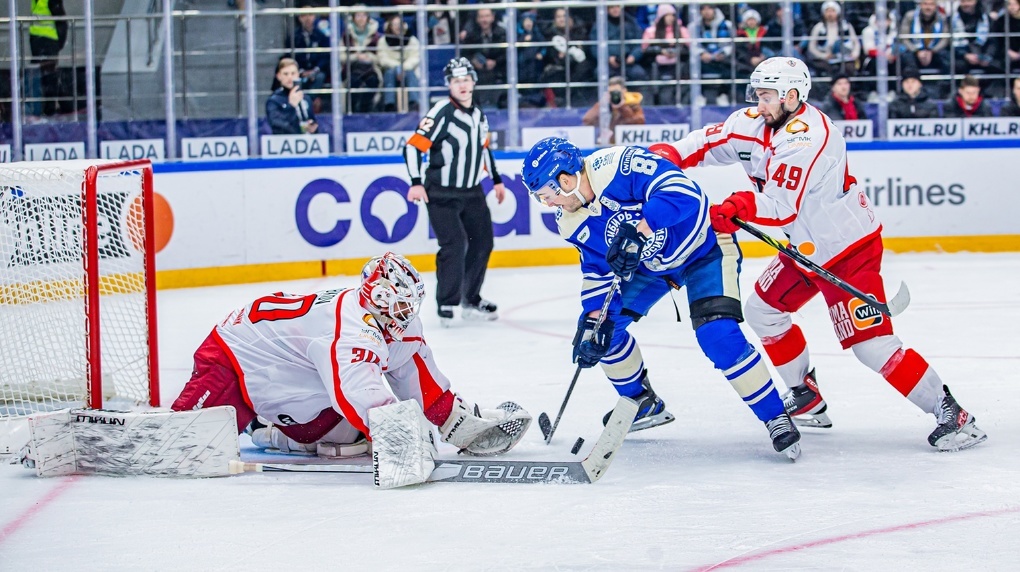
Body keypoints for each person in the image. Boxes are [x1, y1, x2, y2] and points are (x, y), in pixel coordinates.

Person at [649, 57, 987, 452]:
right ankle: (805, 394)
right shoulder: (753, 122)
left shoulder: (809, 137)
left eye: (767, 95)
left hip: (847, 250)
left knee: (871, 346)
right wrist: (660, 161)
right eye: (756, 94)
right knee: (762, 310)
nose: (759, 103)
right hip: (804, 249)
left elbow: (780, 207)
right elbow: (704, 143)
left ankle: (952, 413)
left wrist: (740, 204)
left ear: (792, 96)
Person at [521, 137, 802, 459]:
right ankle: (643, 402)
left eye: (546, 197)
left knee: (717, 334)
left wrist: (641, 229)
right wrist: (592, 318)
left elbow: (686, 194)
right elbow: (597, 271)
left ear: (565, 180)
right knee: (604, 331)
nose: (549, 205)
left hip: (704, 248)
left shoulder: (618, 166)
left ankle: (775, 417)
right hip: (654, 268)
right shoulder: (570, 221)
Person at [170, 252, 531, 458]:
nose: (409, 310)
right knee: (184, 443)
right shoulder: (350, 328)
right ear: (382, 299)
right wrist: (404, 439)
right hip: (233, 355)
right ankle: (261, 427)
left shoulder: (393, 321)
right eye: (402, 302)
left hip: (284, 366)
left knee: (340, 433)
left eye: (411, 301)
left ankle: (267, 422)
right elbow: (358, 394)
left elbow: (417, 378)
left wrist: (456, 424)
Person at [402, 57, 506, 325]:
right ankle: (446, 302)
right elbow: (413, 146)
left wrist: (496, 179)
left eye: (466, 79)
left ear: (474, 81)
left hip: (472, 191)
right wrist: (415, 181)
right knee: (455, 244)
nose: (462, 84)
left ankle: (470, 298)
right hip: (441, 193)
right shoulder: (440, 112)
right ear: (449, 84)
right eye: (456, 80)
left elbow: (484, 148)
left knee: (483, 242)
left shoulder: (478, 115)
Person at [29, 0, 68, 117]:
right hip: (37, 41)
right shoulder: (36, 1)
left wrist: (57, 44)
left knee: (49, 77)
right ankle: (39, 108)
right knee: (38, 77)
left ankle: (50, 109)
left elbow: (62, 22)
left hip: (49, 41)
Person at [462, 8, 507, 109]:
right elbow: (464, 54)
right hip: (477, 74)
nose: (484, 20)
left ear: (492, 17)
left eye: (487, 16)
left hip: (498, 73)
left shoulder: (502, 33)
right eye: (481, 17)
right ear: (477, 19)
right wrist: (473, 61)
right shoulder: (471, 35)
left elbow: (508, 54)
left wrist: (495, 62)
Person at [581, 76, 645, 145]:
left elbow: (639, 123)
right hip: (609, 143)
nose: (615, 95)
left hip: (627, 143)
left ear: (624, 91)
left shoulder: (633, 104)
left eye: (616, 92)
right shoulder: (604, 105)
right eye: (611, 92)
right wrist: (602, 104)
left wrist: (622, 107)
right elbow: (587, 120)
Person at [377, 13, 421, 112]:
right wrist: (397, 67)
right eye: (395, 24)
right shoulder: (383, 41)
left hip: (408, 69)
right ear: (390, 26)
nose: (398, 27)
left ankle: (414, 103)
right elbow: (382, 59)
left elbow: (415, 57)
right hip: (390, 70)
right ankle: (389, 105)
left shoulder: (412, 40)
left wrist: (403, 67)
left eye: (400, 24)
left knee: (410, 73)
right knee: (389, 73)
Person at [342, 6, 382, 113]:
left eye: (364, 15)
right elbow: (341, 56)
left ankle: (366, 108)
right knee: (353, 81)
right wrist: (356, 56)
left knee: (373, 80)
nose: (361, 18)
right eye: (358, 15)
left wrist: (369, 56)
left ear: (368, 17)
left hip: (371, 68)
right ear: (353, 18)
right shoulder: (346, 36)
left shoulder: (376, 36)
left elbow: (381, 56)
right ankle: (353, 109)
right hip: (352, 68)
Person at [807, 1, 861, 79]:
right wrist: (823, 56)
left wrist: (854, 54)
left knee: (849, 68)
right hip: (825, 58)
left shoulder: (846, 26)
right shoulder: (818, 27)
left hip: (844, 57)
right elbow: (812, 47)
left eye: (832, 11)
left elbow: (856, 43)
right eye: (827, 11)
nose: (830, 14)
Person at [266, 58, 318, 135]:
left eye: (293, 73)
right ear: (279, 76)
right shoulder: (273, 101)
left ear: (298, 75)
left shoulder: (306, 98)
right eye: (286, 74)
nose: (290, 77)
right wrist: (291, 106)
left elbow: (312, 120)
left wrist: (313, 127)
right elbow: (276, 125)